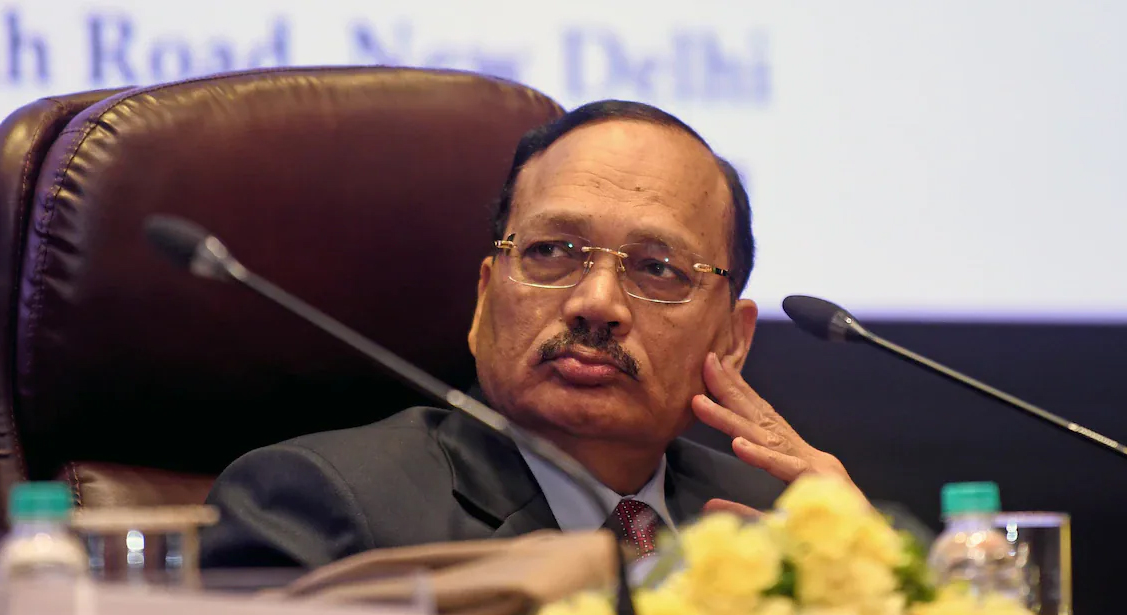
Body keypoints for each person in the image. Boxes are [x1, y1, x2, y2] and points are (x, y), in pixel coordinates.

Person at [199, 100, 853, 570]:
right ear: (485, 298)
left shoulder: (788, 523)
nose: (596, 304)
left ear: (732, 340)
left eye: (657, 268)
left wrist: (878, 574)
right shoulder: (324, 511)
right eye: (551, 252)